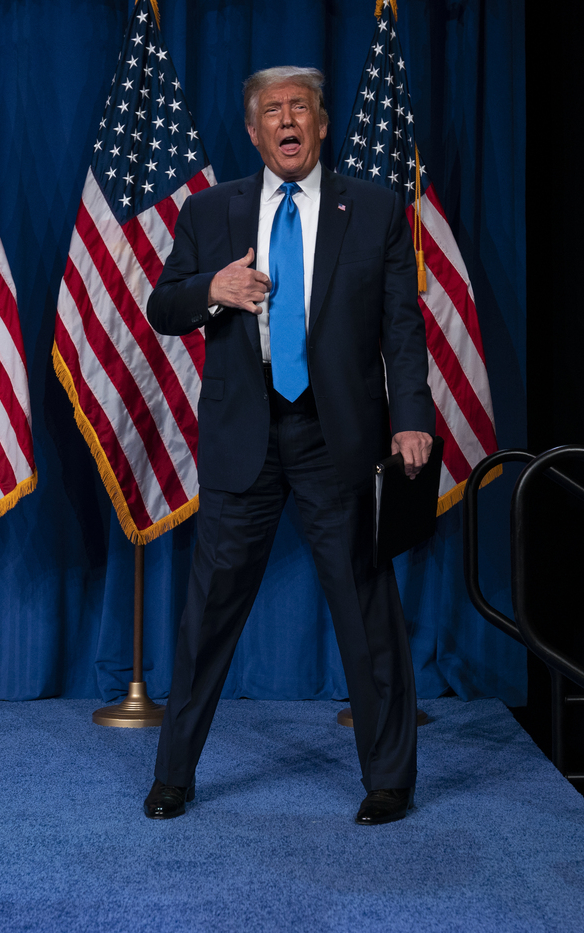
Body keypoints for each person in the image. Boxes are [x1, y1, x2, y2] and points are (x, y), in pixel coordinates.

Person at [142, 66, 434, 825]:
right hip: (246, 435)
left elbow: (402, 326)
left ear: (323, 122)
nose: (286, 119)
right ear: (252, 130)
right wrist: (214, 289)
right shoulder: (211, 211)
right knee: (208, 615)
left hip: (336, 436)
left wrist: (412, 415)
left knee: (366, 608)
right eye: (271, 110)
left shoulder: (372, 209)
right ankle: (174, 774)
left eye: (299, 106)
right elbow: (162, 304)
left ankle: (389, 780)